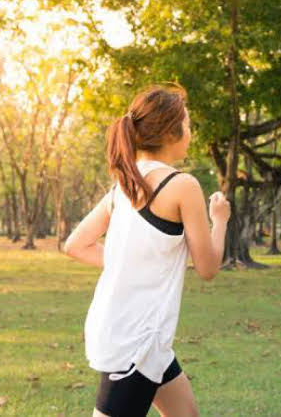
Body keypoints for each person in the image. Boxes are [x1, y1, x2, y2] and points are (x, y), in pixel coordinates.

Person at [63, 83, 231, 417]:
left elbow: (76, 245)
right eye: (188, 124)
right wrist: (220, 219)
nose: (191, 132)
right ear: (171, 131)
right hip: (135, 343)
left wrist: (130, 265)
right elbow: (208, 267)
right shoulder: (182, 185)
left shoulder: (124, 185)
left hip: (141, 337)